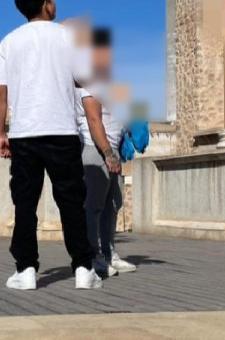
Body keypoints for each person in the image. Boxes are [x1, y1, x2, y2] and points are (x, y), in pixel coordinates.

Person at [0, 0, 118, 291]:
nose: (54, 3)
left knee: (25, 204)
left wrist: (0, 132)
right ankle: (84, 269)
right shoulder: (68, 38)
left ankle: (26, 270)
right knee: (72, 203)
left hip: (24, 134)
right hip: (62, 132)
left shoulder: (9, 41)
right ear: (46, 4)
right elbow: (87, 84)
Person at [76, 27, 136, 277]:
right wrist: (107, 153)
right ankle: (93, 257)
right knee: (94, 205)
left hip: (113, 149)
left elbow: (126, 109)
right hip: (96, 148)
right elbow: (93, 120)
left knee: (113, 203)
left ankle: (109, 252)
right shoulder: (86, 80)